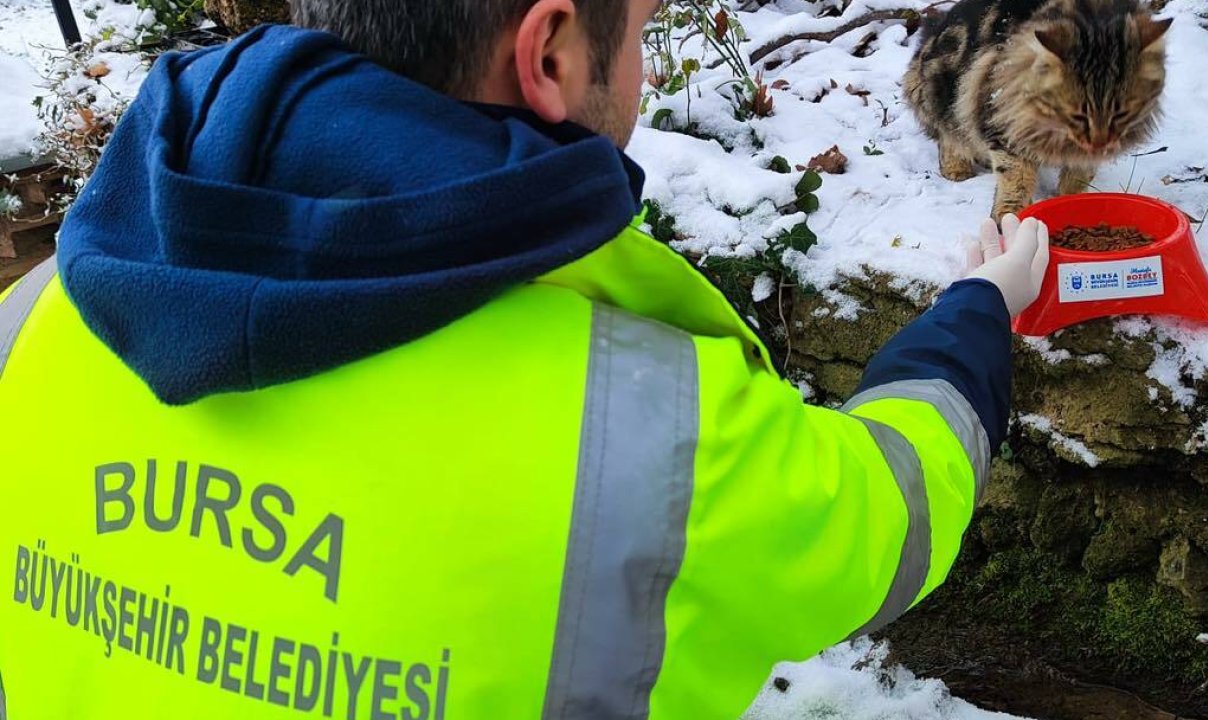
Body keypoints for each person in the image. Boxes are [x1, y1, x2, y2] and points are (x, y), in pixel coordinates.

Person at [0, 0, 1049, 717]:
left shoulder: (40, 315)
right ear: (550, 52)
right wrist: (974, 311)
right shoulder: (657, 435)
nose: (638, 70)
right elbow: (886, 508)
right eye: (636, 32)